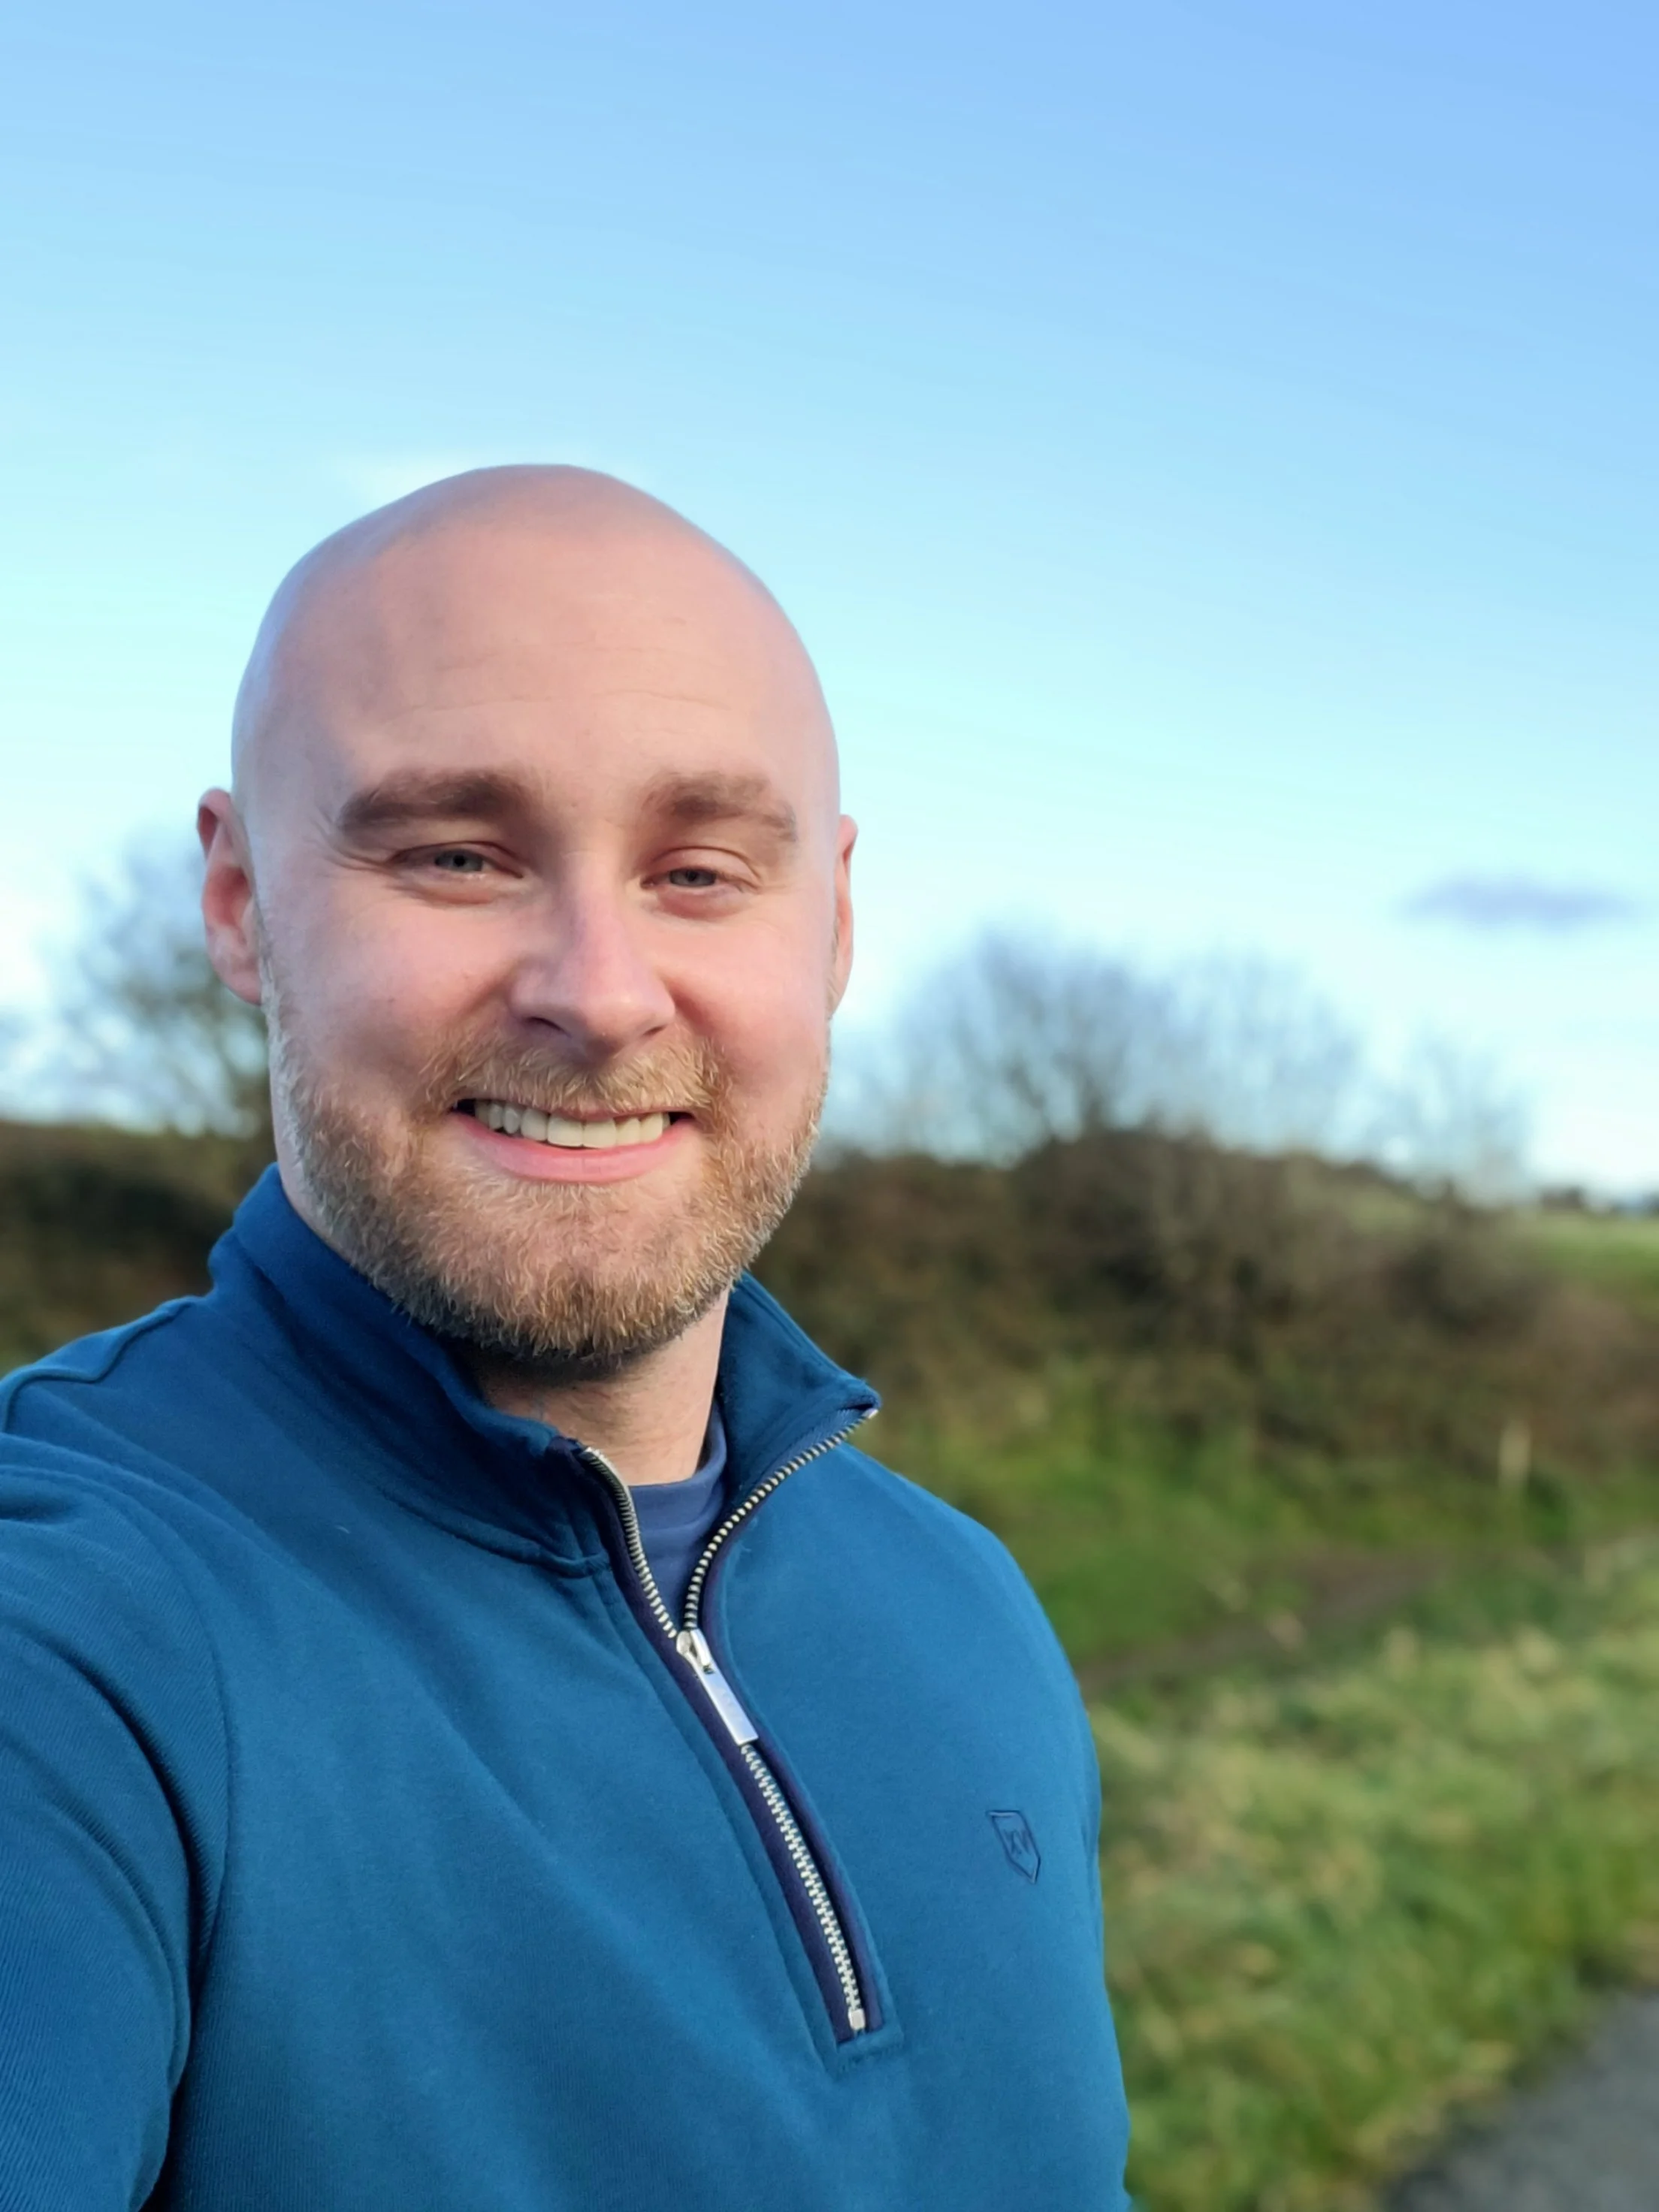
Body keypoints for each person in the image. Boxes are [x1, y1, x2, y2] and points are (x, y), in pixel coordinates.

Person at [0, 467, 1130, 2210]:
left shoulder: (966, 1600)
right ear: (239, 902)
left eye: (697, 867)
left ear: (828, 920)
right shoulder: (72, 1636)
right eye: (457, 852)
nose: (598, 991)